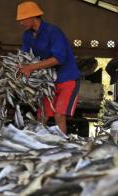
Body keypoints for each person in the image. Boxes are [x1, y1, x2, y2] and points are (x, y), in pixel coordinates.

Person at [16, 1, 80, 134]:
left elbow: (59, 58)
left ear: (33, 17)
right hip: (48, 82)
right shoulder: (27, 35)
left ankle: (62, 146)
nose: (20, 23)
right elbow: (25, 56)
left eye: (22, 19)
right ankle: (38, 146)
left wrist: (31, 68)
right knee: (42, 116)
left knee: (59, 116)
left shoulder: (53, 32)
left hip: (67, 79)